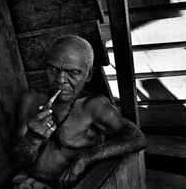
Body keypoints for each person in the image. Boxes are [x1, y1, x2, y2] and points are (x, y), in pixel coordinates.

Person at [12, 35, 147, 189]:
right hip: (26, 183)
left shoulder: (94, 106)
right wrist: (32, 139)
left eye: (73, 72)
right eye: (53, 69)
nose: (60, 79)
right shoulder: (30, 99)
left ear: (88, 75)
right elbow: (18, 160)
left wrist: (84, 158)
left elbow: (137, 138)